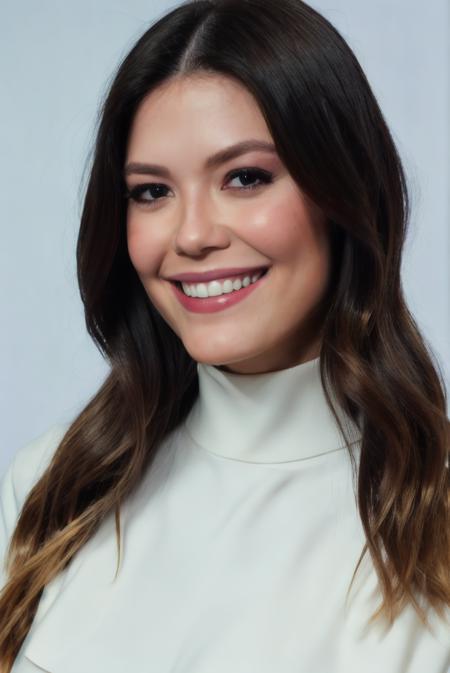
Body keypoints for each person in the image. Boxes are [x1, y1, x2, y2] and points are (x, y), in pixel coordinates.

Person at [0, 0, 449, 671]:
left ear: (345, 192)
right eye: (152, 192)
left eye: (245, 178)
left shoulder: (435, 522)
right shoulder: (53, 485)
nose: (191, 234)